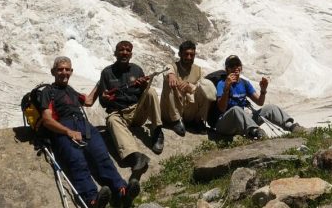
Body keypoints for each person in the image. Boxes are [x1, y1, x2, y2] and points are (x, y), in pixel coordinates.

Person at [39, 56, 138, 208]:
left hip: (85, 127)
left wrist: (101, 84)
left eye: (67, 69)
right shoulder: (48, 91)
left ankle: (121, 191)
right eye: (60, 69)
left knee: (102, 157)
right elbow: (47, 119)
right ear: (53, 72)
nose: (64, 72)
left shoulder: (70, 90)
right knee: (78, 162)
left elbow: (88, 101)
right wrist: (68, 132)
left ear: (71, 71)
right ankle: (92, 200)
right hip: (64, 128)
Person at [86, 41, 165, 165]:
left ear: (131, 54)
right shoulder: (106, 73)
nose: (124, 53)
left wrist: (144, 85)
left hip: (136, 112)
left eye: (128, 50)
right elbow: (103, 101)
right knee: (111, 120)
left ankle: (157, 131)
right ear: (115, 53)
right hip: (119, 115)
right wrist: (106, 98)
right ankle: (134, 155)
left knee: (151, 92)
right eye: (121, 50)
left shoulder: (137, 69)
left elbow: (144, 93)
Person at [214, 54, 303, 139]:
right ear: (227, 69)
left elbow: (260, 102)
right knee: (236, 109)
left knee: (270, 108)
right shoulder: (222, 84)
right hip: (225, 124)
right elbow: (222, 108)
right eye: (231, 65)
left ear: (241, 67)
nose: (235, 68)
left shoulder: (244, 83)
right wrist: (226, 89)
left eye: (237, 64)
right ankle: (255, 133)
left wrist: (263, 90)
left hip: (242, 122)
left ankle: (291, 127)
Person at [160, 40, 216, 135]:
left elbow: (200, 87)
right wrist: (171, 75)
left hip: (188, 110)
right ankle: (176, 120)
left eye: (191, 55)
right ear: (180, 54)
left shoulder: (197, 70)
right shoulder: (173, 67)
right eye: (186, 54)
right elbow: (168, 68)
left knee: (205, 86)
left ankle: (198, 121)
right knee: (170, 83)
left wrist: (190, 86)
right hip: (170, 112)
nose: (189, 57)